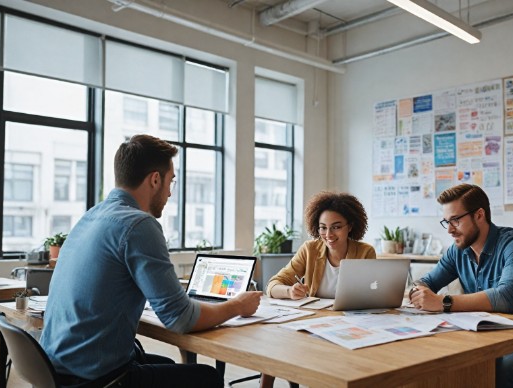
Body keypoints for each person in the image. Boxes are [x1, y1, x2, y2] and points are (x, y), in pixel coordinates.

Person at [40, 134, 261, 388]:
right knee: (207, 377)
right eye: (171, 182)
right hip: (96, 379)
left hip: (57, 368)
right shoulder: (139, 225)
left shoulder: (91, 216)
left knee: (165, 363)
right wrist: (236, 306)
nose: (169, 192)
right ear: (155, 179)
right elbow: (180, 318)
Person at [409, 183, 513, 387]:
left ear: (479, 215)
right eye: (446, 222)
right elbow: (428, 281)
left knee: (486, 378)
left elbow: (505, 298)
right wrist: (417, 291)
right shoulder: (458, 250)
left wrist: (443, 302)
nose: (450, 230)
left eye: (455, 220)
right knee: (437, 368)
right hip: (488, 339)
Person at [261, 191, 376, 387]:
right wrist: (289, 291)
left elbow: (372, 294)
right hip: (314, 323)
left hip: (349, 323)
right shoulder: (310, 249)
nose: (329, 235)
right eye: (323, 228)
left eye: (336, 227)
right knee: (275, 345)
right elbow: (273, 285)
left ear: (351, 226)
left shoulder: (365, 251)